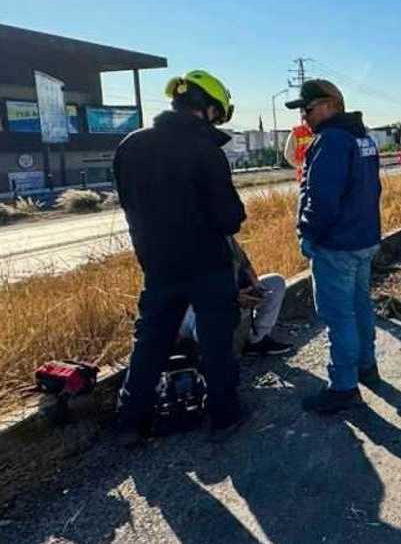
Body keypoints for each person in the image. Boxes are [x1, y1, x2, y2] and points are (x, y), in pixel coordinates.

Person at [112, 69, 248, 445]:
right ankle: (224, 416)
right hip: (207, 264)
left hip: (158, 264)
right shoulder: (205, 150)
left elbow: (129, 207)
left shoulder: (131, 145)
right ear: (207, 109)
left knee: (150, 342)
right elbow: (229, 218)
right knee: (216, 341)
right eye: (216, 115)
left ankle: (129, 422)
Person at [290, 79, 383, 414]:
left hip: (336, 244)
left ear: (330, 104)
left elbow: (322, 199)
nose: (304, 117)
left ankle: (344, 387)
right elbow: (372, 190)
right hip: (363, 239)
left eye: (308, 108)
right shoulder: (362, 138)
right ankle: (366, 366)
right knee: (360, 307)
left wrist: (308, 233)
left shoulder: (330, 140)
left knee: (338, 315)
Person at [177, 239, 294, 356]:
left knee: (275, 283)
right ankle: (205, 354)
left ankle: (257, 340)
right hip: (197, 309)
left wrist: (255, 286)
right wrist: (232, 296)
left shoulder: (226, 237)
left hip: (233, 296)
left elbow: (245, 265)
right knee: (206, 317)